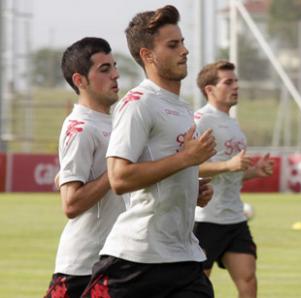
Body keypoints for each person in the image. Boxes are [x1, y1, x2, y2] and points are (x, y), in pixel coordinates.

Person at [82, 5, 216, 297]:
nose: (185, 50)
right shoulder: (138, 103)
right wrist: (187, 158)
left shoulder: (181, 107)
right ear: (148, 55)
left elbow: (163, 171)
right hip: (136, 261)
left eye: (182, 42)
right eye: (173, 45)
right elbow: (119, 179)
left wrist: (191, 189)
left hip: (184, 259)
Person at [44, 37, 125, 298]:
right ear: (80, 81)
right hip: (82, 269)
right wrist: (116, 171)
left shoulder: (116, 124)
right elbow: (72, 203)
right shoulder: (80, 127)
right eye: (104, 69)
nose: (115, 74)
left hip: (117, 261)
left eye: (114, 66)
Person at [193, 60, 275, 298]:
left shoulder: (232, 123)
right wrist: (229, 165)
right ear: (210, 89)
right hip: (205, 219)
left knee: (248, 281)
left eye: (236, 81)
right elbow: (189, 168)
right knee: (198, 286)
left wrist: (254, 171)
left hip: (235, 218)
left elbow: (231, 174)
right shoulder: (201, 120)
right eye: (228, 82)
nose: (236, 86)